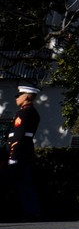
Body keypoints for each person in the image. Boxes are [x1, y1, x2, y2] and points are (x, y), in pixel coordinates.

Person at [6, 85, 41, 221]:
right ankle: (31, 211)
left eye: (18, 95)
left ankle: (30, 212)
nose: (16, 98)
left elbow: (18, 137)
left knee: (22, 183)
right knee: (25, 183)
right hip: (25, 152)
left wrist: (13, 156)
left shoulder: (23, 113)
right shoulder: (31, 112)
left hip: (18, 154)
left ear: (26, 97)